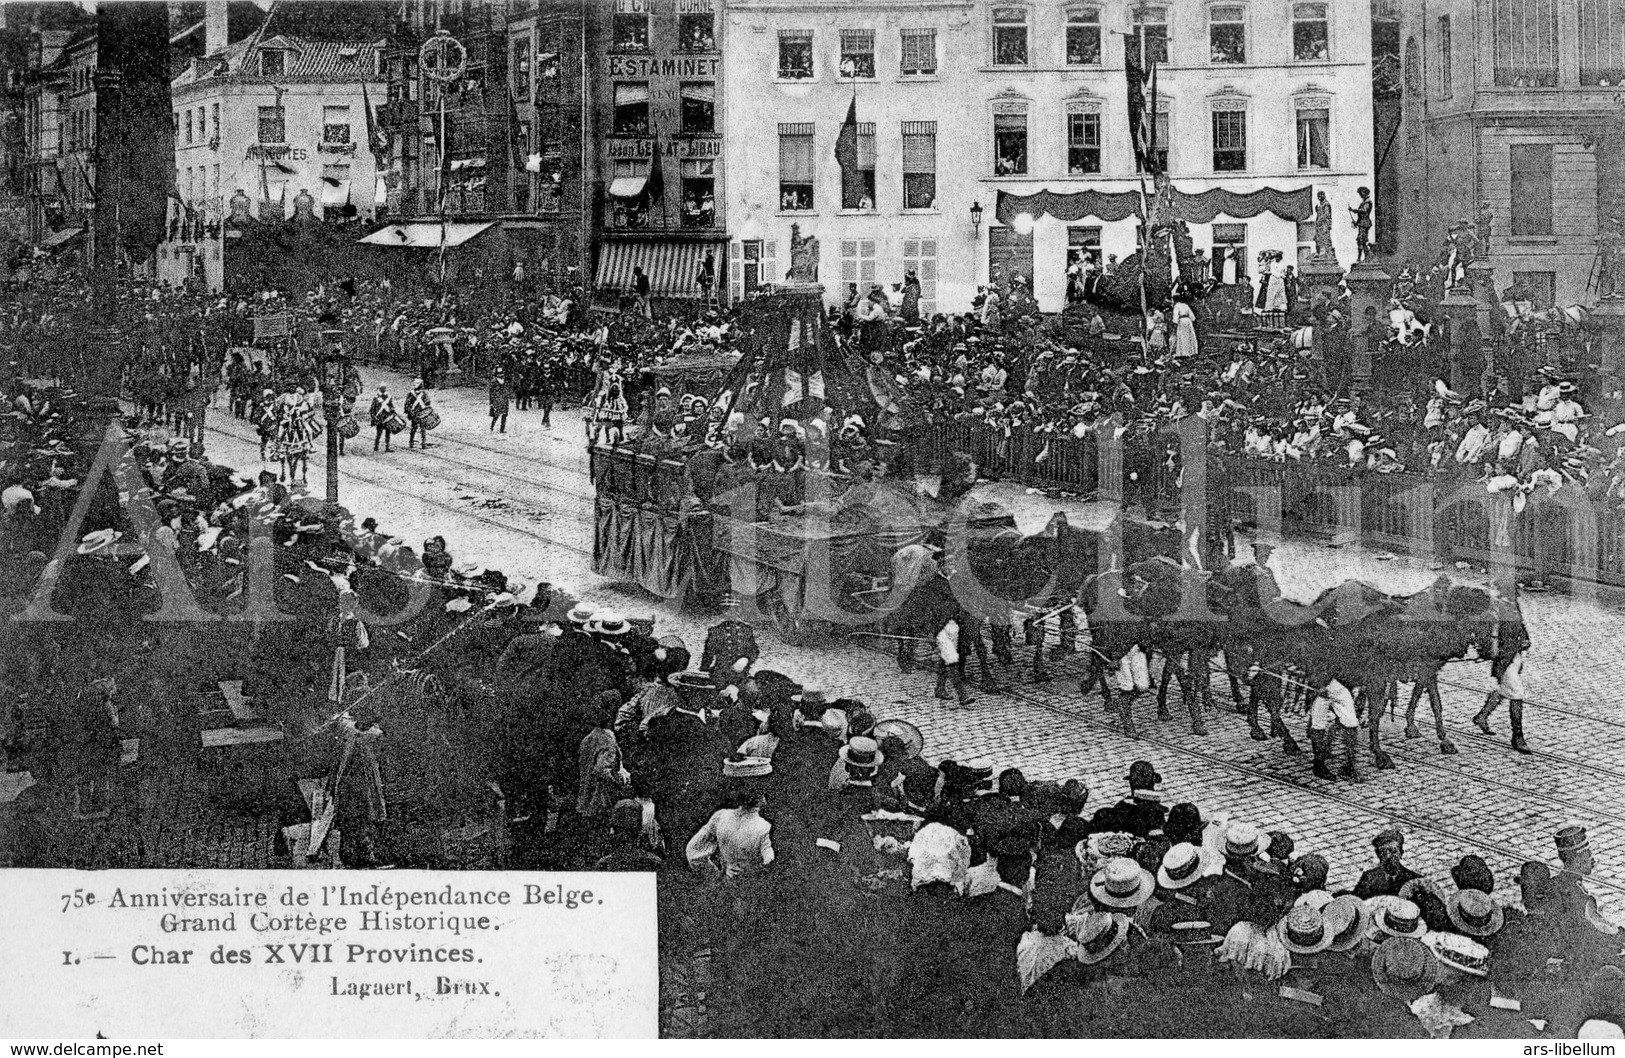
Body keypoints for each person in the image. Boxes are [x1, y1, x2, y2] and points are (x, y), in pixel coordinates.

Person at [1353, 827, 1421, 899]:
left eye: (1393, 851)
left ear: (1401, 853)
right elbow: (1358, 902)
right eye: (1384, 852)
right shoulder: (1369, 878)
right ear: (1378, 854)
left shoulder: (1413, 879)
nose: (1388, 856)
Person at [405, 378, 434, 450]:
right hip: (414, 413)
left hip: (422, 413)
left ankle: (422, 443)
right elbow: (407, 404)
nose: (415, 385)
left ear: (421, 384)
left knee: (422, 428)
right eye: (414, 383)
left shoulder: (423, 393)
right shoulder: (411, 394)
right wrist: (409, 412)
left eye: (417, 383)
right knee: (414, 428)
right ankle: (411, 442)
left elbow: (427, 403)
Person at [369, 385, 396, 453]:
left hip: (387, 417)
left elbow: (392, 406)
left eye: (385, 388)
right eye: (383, 388)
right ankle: (376, 447)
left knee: (388, 433)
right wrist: (374, 417)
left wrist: (391, 410)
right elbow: (372, 409)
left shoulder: (388, 397)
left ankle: (387, 447)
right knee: (379, 433)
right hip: (380, 418)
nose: (384, 389)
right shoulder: (376, 398)